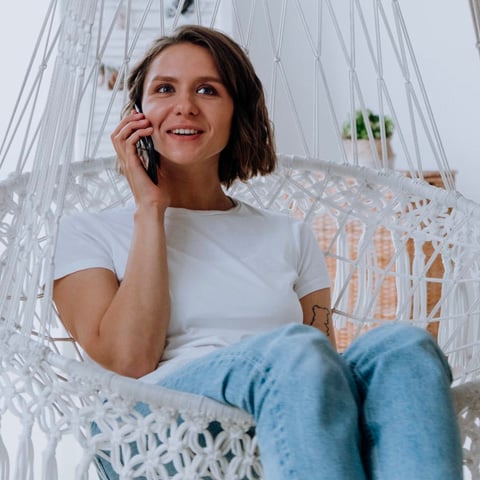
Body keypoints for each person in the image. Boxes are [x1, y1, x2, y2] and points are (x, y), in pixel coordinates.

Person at [53, 24, 463, 480]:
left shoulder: (289, 235)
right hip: (162, 436)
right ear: (138, 114)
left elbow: (324, 375)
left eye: (208, 90)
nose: (184, 105)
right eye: (165, 88)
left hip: (287, 419)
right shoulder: (86, 233)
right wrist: (151, 209)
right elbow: (130, 362)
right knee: (296, 350)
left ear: (236, 113)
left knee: (405, 347)